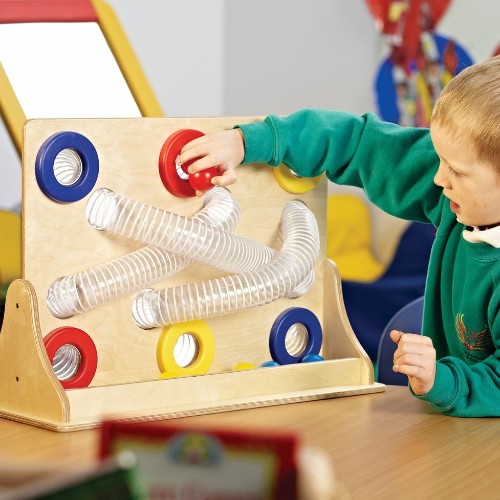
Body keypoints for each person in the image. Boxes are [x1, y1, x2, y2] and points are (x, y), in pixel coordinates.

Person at [176, 56, 500, 418]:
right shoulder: (454, 188)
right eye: (440, 160)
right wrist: (249, 141)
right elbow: (357, 142)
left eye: (455, 170)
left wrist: (443, 380)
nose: (439, 179)